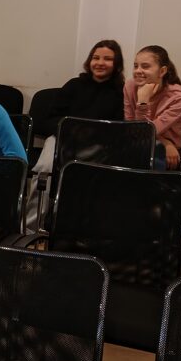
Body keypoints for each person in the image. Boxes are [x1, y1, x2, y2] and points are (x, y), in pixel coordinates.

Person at [25, 41, 126, 228]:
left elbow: (119, 129)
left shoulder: (121, 93)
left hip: (97, 145)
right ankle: (31, 228)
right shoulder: (74, 85)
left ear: (117, 64)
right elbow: (47, 119)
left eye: (107, 59)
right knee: (44, 169)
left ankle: (76, 228)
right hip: (62, 138)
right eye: (96, 58)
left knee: (88, 177)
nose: (100, 63)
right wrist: (71, 130)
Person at [123, 45, 181, 169]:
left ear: (162, 71)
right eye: (135, 66)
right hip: (141, 142)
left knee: (150, 158)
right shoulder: (130, 85)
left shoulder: (179, 98)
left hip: (164, 153)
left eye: (145, 66)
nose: (137, 71)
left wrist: (143, 102)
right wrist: (166, 142)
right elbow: (131, 128)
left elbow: (142, 133)